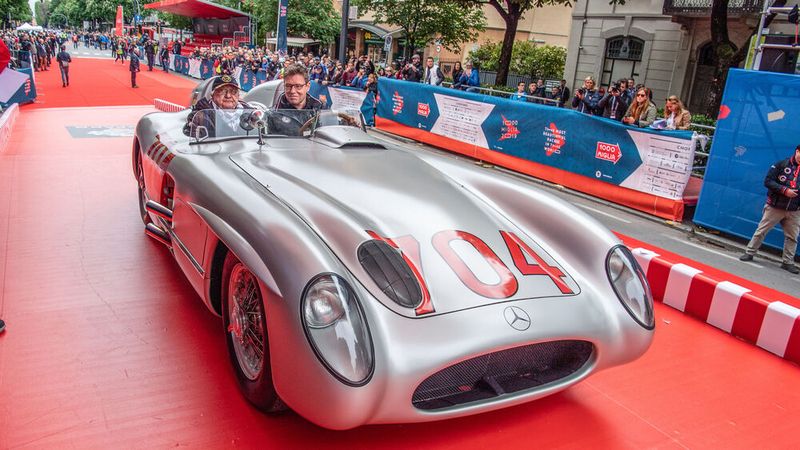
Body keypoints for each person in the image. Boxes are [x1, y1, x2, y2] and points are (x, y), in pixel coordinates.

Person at [739, 145, 800, 274]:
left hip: (794, 210)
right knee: (762, 230)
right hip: (775, 207)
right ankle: (749, 252)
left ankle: (787, 262)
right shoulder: (781, 164)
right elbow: (768, 181)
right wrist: (784, 190)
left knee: (792, 237)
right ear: (797, 151)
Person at [185, 75, 252, 138]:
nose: (228, 96)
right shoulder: (200, 116)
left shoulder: (250, 113)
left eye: (233, 92)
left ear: (238, 95)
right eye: (222, 91)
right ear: (212, 94)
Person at [270, 63, 325, 136]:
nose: (292, 91)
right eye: (288, 86)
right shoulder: (274, 113)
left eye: (298, 86)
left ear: (307, 86)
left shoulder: (318, 107)